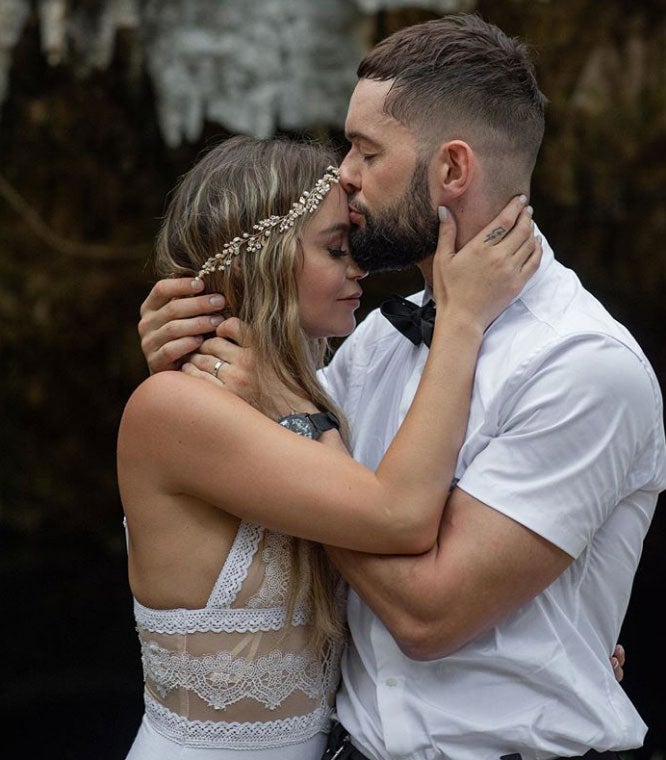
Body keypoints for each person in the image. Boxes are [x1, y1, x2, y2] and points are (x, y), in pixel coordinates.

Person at [135, 14, 660, 760]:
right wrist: (191, 350)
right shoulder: (376, 341)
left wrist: (291, 413)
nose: (343, 173)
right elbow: (253, 489)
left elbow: (428, 617)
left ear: (451, 169)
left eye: (366, 150)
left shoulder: (581, 366)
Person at [119, 134, 541, 760]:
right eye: (336, 249)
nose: (360, 269)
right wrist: (461, 318)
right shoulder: (171, 408)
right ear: (255, 259)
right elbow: (399, 516)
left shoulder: (325, 385)